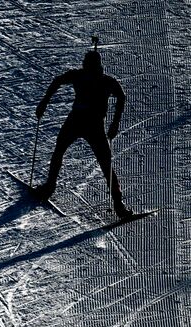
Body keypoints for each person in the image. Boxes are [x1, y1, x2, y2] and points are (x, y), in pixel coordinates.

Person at [33, 50, 133, 218]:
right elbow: (121, 96)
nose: (85, 66)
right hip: (91, 124)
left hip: (79, 121)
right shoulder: (105, 81)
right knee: (104, 164)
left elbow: (57, 81)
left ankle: (50, 187)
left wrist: (44, 102)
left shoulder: (81, 76)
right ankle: (118, 205)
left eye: (87, 64)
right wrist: (115, 122)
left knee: (62, 151)